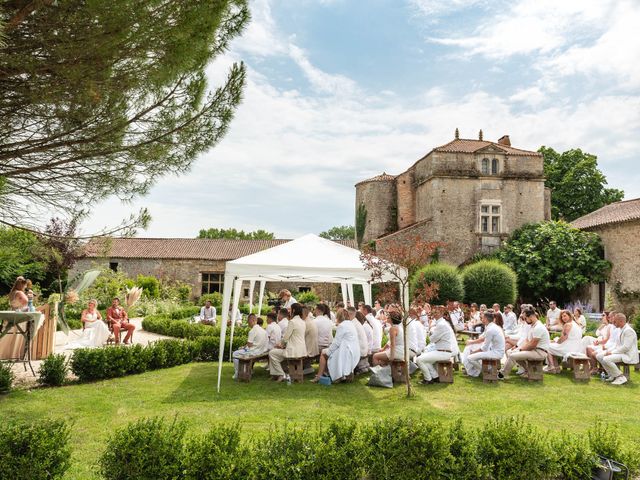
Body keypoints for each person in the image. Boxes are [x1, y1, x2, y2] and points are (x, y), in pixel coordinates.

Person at [499, 310, 551, 379]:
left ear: (531, 317)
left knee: (512, 355)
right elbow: (527, 341)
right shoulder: (533, 326)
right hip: (534, 350)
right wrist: (518, 348)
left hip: (540, 352)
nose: (525, 320)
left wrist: (520, 349)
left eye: (525, 318)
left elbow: (532, 345)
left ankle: (502, 375)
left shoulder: (538, 327)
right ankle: (528, 371)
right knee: (511, 352)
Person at [312, 309, 360, 382]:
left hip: (345, 351)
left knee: (323, 353)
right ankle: (328, 373)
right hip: (354, 351)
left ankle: (319, 376)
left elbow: (336, 343)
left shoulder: (342, 326)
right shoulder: (350, 324)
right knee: (328, 352)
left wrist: (329, 351)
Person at [416, 305, 456, 384]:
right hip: (442, 351)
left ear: (441, 313)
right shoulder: (441, 323)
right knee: (425, 360)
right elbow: (434, 339)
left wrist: (431, 333)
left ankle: (428, 379)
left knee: (419, 360)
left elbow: (432, 339)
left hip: (443, 352)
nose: (434, 313)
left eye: (436, 312)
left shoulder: (441, 324)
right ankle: (435, 377)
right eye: (434, 312)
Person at [596, 312, 639, 385]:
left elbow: (626, 347)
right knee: (599, 356)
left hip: (628, 355)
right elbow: (616, 345)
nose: (613, 322)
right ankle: (612, 375)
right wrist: (608, 351)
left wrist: (612, 353)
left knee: (607, 359)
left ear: (621, 321)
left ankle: (620, 377)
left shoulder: (628, 331)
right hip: (621, 353)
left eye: (615, 321)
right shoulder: (620, 329)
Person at [268, 303, 307, 382]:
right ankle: (276, 374)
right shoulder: (303, 322)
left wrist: (280, 345)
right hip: (302, 350)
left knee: (272, 353)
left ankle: (280, 374)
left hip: (293, 351)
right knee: (276, 353)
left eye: (290, 309)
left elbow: (286, 338)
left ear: (294, 310)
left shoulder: (292, 322)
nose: (289, 312)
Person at [464, 311, 505, 377]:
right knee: (472, 351)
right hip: (495, 350)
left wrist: (473, 352)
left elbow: (484, 348)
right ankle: (486, 370)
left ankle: (486, 371)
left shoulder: (490, 329)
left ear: (485, 319)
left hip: (496, 353)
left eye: (482, 318)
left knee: (469, 358)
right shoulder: (492, 326)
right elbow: (483, 340)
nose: (481, 319)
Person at [232, 314, 268, 379]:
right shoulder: (263, 330)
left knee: (235, 354)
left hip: (254, 352)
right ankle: (247, 370)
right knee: (241, 351)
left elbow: (249, 345)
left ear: (252, 320)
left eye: (248, 321)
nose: (248, 323)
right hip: (261, 351)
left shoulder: (252, 331)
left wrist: (243, 348)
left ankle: (238, 373)